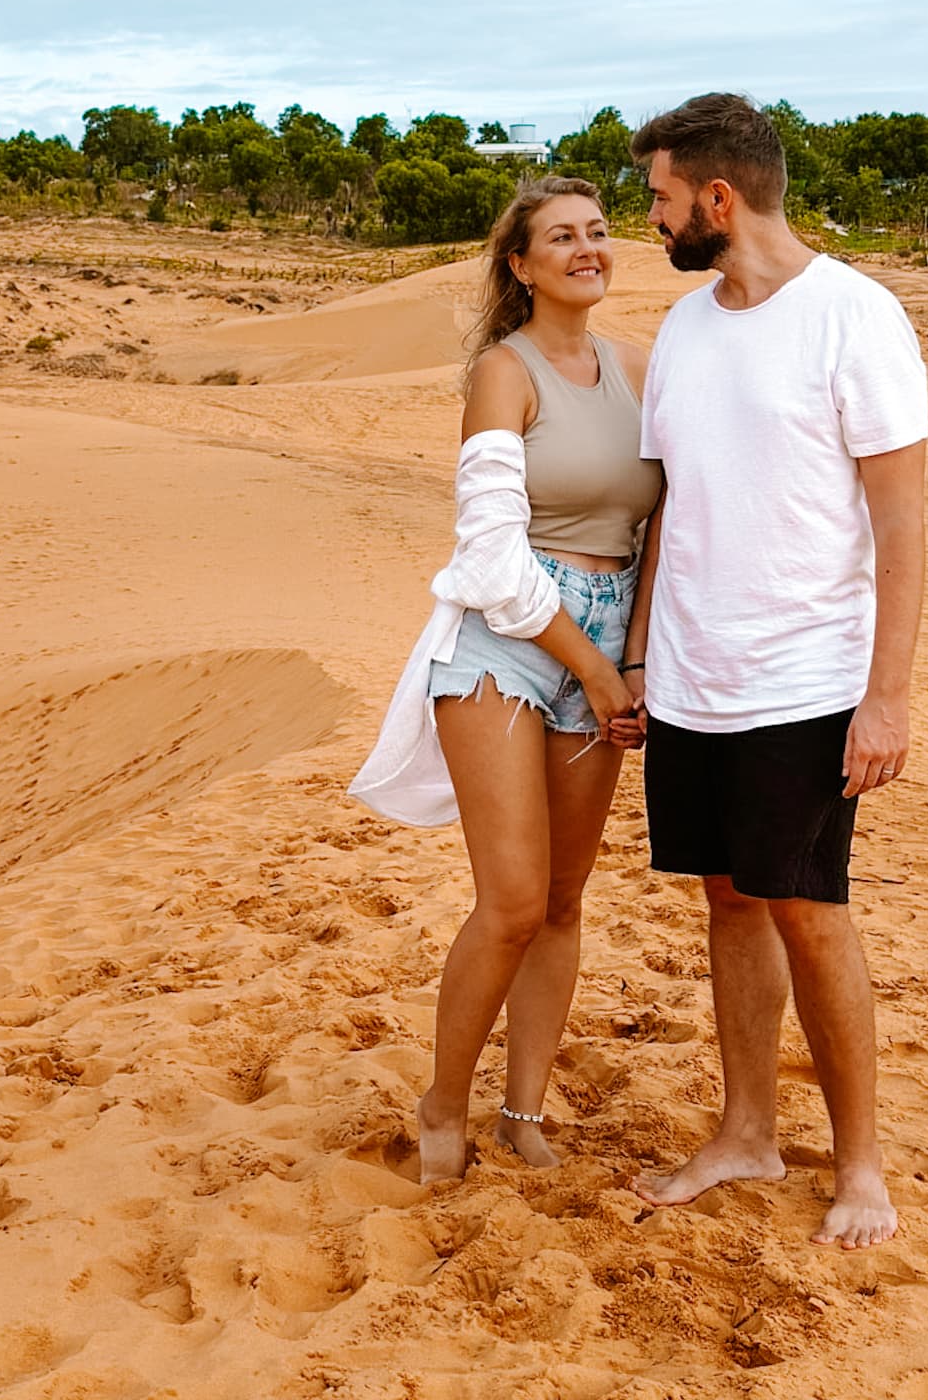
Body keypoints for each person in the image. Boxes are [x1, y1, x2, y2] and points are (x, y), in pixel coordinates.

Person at [620, 94, 928, 1249]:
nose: (648, 219)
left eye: (657, 197)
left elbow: (901, 524)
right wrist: (645, 654)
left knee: (812, 911)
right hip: (694, 675)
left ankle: (860, 1165)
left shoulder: (857, 315)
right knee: (730, 900)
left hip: (806, 678)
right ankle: (748, 1129)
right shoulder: (690, 329)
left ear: (716, 196)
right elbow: (669, 513)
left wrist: (886, 693)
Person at [349, 176, 661, 1181]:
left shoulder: (645, 371)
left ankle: (524, 1109)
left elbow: (665, 531)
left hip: (610, 644)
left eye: (599, 231)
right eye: (560, 236)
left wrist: (635, 660)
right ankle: (445, 1098)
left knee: (567, 900)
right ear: (520, 264)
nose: (587, 247)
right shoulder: (504, 371)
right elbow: (490, 554)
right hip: (506, 641)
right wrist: (594, 670)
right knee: (514, 898)